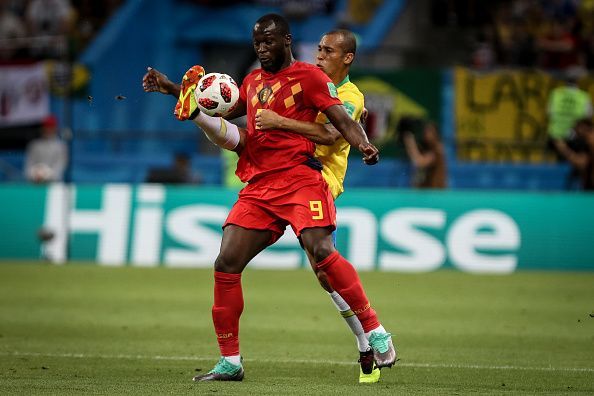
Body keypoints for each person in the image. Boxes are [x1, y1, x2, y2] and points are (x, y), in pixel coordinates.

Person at [143, 14, 395, 383]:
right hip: (260, 184)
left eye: (268, 42)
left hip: (301, 178)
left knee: (322, 254)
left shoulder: (312, 79)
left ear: (287, 41)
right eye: (256, 43)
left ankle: (374, 332)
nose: (261, 49)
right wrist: (175, 90)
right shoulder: (252, 80)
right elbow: (229, 109)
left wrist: (364, 145)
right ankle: (230, 361)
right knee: (226, 261)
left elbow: (338, 125)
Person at [547, 66, 593, 159]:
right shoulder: (583, 97)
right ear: (578, 81)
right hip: (576, 141)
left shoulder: (556, 94)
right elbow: (589, 116)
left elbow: (549, 113)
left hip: (555, 138)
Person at [402, 120, 447, 189]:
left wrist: (410, 143)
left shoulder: (438, 149)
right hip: (427, 192)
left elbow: (419, 162)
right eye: (425, 132)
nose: (426, 134)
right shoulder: (426, 148)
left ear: (436, 134)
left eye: (429, 132)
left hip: (436, 193)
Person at [24, 114, 68, 183]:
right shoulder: (34, 145)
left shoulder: (61, 146)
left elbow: (60, 166)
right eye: (46, 127)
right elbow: (28, 166)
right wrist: (35, 174)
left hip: (54, 185)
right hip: (35, 184)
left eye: (50, 127)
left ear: (55, 128)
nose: (48, 130)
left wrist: (46, 175)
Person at [553, 119, 594, 190]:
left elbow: (581, 163)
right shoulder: (583, 144)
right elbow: (582, 162)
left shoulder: (590, 140)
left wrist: (563, 149)